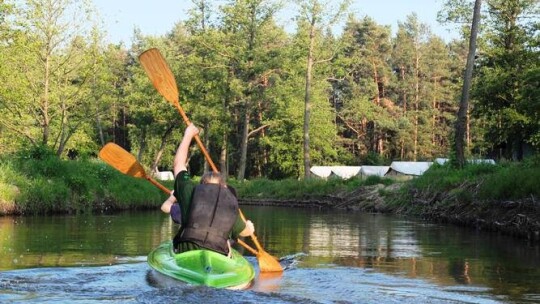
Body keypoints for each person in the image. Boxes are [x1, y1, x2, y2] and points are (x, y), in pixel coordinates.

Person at [160, 123, 255, 256]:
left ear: (202, 185)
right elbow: (244, 232)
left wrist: (188, 135)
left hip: (187, 252)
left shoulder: (191, 193)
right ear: (222, 187)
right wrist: (250, 228)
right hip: (219, 254)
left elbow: (178, 165)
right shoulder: (229, 202)